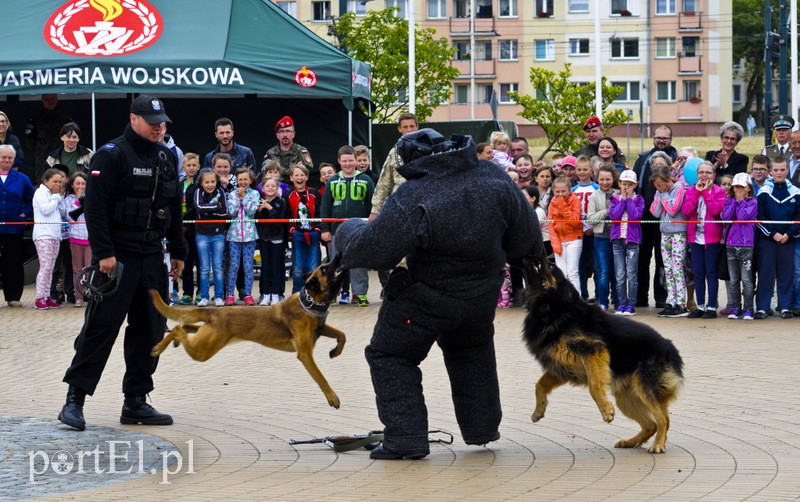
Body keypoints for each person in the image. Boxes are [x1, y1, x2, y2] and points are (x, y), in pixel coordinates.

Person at [334, 128, 542, 460]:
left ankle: (405, 438)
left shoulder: (416, 193)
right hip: (481, 295)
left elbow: (374, 251)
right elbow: (526, 238)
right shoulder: (492, 175)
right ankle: (481, 429)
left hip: (429, 296)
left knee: (390, 355)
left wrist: (348, 229)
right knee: (471, 349)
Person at [59, 95, 186, 431]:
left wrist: (178, 251)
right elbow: (95, 208)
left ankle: (136, 401)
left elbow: (173, 208)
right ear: (133, 119)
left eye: (162, 122)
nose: (159, 127)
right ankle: (74, 400)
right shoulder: (111, 154)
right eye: (152, 121)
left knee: (151, 330)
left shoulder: (165, 157)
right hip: (116, 258)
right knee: (100, 328)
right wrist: (104, 254)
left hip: (151, 257)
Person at [370, 112, 419, 296]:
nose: (408, 130)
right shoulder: (394, 152)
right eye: (404, 127)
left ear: (417, 127)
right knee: (399, 253)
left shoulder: (428, 148)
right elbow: (384, 182)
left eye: (411, 126)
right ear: (399, 129)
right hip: (400, 208)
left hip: (422, 207)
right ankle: (399, 290)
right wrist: (375, 211)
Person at [320, 146, 375, 306]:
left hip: (359, 230)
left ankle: (360, 294)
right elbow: (325, 207)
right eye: (344, 161)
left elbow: (373, 205)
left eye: (351, 160)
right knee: (335, 264)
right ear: (339, 161)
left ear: (355, 161)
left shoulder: (366, 180)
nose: (348, 164)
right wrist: (324, 229)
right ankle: (333, 293)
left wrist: (370, 227)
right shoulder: (332, 181)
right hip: (335, 230)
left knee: (358, 263)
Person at [632, 125, 676, 309]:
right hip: (643, 220)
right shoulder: (643, 159)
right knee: (642, 259)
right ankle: (640, 296)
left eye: (665, 138)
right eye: (658, 137)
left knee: (663, 260)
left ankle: (661, 296)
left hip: (666, 220)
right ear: (653, 138)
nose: (661, 141)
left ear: (671, 139)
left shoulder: (677, 160)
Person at [754, 156, 800, 319]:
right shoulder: (763, 193)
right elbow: (759, 217)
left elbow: (798, 217)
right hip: (767, 240)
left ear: (787, 171)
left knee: (786, 273)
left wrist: (788, 234)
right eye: (776, 170)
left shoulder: (795, 192)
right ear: (770, 171)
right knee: (765, 273)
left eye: (782, 170)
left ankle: (785, 306)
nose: (779, 173)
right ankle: (763, 307)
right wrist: (773, 234)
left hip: (788, 239)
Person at [682, 161, 727, 319]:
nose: (704, 175)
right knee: (698, 273)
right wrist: (696, 193)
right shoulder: (691, 191)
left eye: (708, 172)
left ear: (714, 176)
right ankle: (700, 305)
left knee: (711, 273)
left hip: (712, 239)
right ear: (697, 175)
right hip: (696, 238)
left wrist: (707, 193)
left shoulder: (719, 191)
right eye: (701, 172)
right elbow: (687, 210)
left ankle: (711, 306)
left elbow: (716, 210)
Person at [650, 165, 690, 318]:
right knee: (668, 268)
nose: (657, 188)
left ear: (667, 180)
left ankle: (681, 303)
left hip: (678, 233)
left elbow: (673, 210)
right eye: (656, 185)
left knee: (677, 267)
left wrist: (664, 194)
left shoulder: (679, 189)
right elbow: (655, 212)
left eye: (659, 184)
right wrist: (660, 195)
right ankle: (671, 301)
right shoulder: (661, 192)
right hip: (665, 232)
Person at [189, 168, 229, 307]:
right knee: (204, 268)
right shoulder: (198, 192)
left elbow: (225, 213)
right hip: (202, 234)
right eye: (207, 182)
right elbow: (199, 207)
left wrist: (210, 211)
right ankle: (204, 296)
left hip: (218, 234)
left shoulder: (221, 192)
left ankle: (219, 296)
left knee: (218, 267)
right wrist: (216, 206)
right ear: (201, 182)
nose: (210, 184)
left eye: (213, 181)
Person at [0, 144, 34, 306]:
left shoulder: (22, 178)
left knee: (12, 263)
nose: (6, 160)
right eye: (3, 157)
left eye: (10, 158)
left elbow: (31, 199)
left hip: (14, 229)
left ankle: (13, 297)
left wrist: (24, 212)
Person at [721, 173, 757, 320]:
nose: (738, 190)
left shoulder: (753, 202)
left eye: (741, 187)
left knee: (747, 280)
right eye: (736, 187)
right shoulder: (730, 201)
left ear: (749, 188)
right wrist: (734, 202)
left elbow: (742, 217)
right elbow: (726, 217)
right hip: (731, 245)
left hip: (746, 246)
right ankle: (736, 307)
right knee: (734, 279)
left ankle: (748, 308)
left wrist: (741, 201)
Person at [609, 169, 644, 316]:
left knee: (631, 273)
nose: (626, 187)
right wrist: (622, 200)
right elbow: (614, 215)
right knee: (620, 274)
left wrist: (629, 200)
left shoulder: (639, 199)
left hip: (632, 242)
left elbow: (635, 215)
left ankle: (631, 304)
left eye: (630, 184)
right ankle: (621, 303)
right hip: (617, 241)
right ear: (619, 184)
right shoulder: (614, 199)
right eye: (624, 184)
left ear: (635, 185)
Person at [284, 164, 322, 293]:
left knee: (313, 266)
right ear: (291, 177)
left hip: (313, 233)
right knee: (298, 267)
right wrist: (292, 231)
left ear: (306, 177)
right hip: (297, 234)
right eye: (296, 175)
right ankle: (297, 294)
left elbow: (320, 213)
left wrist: (317, 229)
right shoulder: (288, 195)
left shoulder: (314, 193)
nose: (299, 178)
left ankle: (314, 293)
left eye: (302, 175)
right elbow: (286, 216)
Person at [225, 167, 260, 306]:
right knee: (233, 266)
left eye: (246, 179)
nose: (243, 182)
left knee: (248, 266)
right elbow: (231, 212)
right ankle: (230, 294)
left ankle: (248, 294)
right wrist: (238, 198)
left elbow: (252, 211)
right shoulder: (232, 194)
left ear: (250, 180)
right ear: (236, 181)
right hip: (234, 236)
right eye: (240, 179)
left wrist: (245, 197)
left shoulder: (255, 194)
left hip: (250, 235)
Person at [32, 168, 66, 310]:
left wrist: (59, 198)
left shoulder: (54, 194)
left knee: (51, 267)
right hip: (43, 234)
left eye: (60, 182)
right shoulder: (40, 193)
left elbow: (64, 212)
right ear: (46, 181)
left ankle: (47, 296)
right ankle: (39, 297)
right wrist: (56, 197)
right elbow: (46, 210)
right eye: (55, 181)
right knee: (45, 267)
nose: (58, 184)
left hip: (55, 234)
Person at [587, 164, 619, 311]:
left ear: (613, 179)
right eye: (602, 179)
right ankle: (603, 302)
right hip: (601, 238)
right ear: (597, 179)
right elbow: (591, 219)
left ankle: (619, 301)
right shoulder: (594, 196)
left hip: (618, 238)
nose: (605, 182)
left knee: (618, 271)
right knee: (604, 270)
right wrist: (607, 211)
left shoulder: (619, 194)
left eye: (608, 179)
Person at [255, 177, 287, 306]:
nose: (270, 188)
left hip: (277, 239)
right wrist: (260, 210)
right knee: (266, 267)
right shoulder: (260, 201)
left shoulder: (281, 202)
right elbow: (257, 220)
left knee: (275, 268)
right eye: (267, 186)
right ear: (262, 189)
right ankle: (265, 295)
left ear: (277, 188)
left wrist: (270, 208)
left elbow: (279, 220)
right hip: (264, 238)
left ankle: (275, 295)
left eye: (273, 186)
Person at [25, 94, 71, 181]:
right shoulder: (35, 118)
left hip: (61, 157)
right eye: (47, 99)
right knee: (43, 184)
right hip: (42, 159)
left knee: (62, 183)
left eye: (53, 99)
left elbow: (71, 137)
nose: (50, 101)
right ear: (42, 101)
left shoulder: (65, 118)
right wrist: (39, 151)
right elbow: (29, 140)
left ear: (57, 100)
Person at [549, 176, 583, 292]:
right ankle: (563, 299)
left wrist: (562, 206)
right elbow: (550, 225)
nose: (560, 194)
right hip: (559, 241)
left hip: (574, 239)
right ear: (553, 191)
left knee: (572, 272)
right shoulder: (552, 202)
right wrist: (555, 244)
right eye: (557, 191)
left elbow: (574, 221)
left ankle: (576, 299)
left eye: (563, 191)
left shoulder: (575, 201)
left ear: (569, 190)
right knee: (561, 273)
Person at [572, 155, 599, 301]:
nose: (582, 172)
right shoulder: (573, 190)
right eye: (579, 169)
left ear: (591, 170)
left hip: (594, 232)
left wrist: (592, 226)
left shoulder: (597, 188)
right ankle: (582, 294)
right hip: (578, 233)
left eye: (585, 169)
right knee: (579, 266)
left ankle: (599, 295)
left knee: (597, 265)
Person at [177, 153, 201, 304]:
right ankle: (187, 293)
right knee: (185, 262)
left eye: (194, 165)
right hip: (181, 229)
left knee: (200, 263)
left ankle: (200, 293)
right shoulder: (180, 184)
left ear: (198, 167)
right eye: (189, 165)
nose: (191, 168)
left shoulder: (200, 184)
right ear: (183, 167)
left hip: (196, 229)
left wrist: (186, 219)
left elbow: (196, 206)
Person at [263, 116, 315, 183]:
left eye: (288, 131)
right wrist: (295, 169)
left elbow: (307, 168)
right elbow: (265, 172)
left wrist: (277, 170)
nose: (285, 135)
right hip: (277, 189)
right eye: (281, 131)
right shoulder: (270, 153)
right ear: (277, 135)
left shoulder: (301, 151)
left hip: (296, 186)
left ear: (293, 134)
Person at [65, 172, 90, 308]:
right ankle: (78, 297)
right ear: (72, 185)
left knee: (89, 268)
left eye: (83, 183)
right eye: (78, 183)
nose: (81, 186)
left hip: (90, 239)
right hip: (75, 239)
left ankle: (90, 294)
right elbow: (70, 217)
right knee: (77, 270)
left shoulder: (92, 197)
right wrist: (78, 200)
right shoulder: (68, 200)